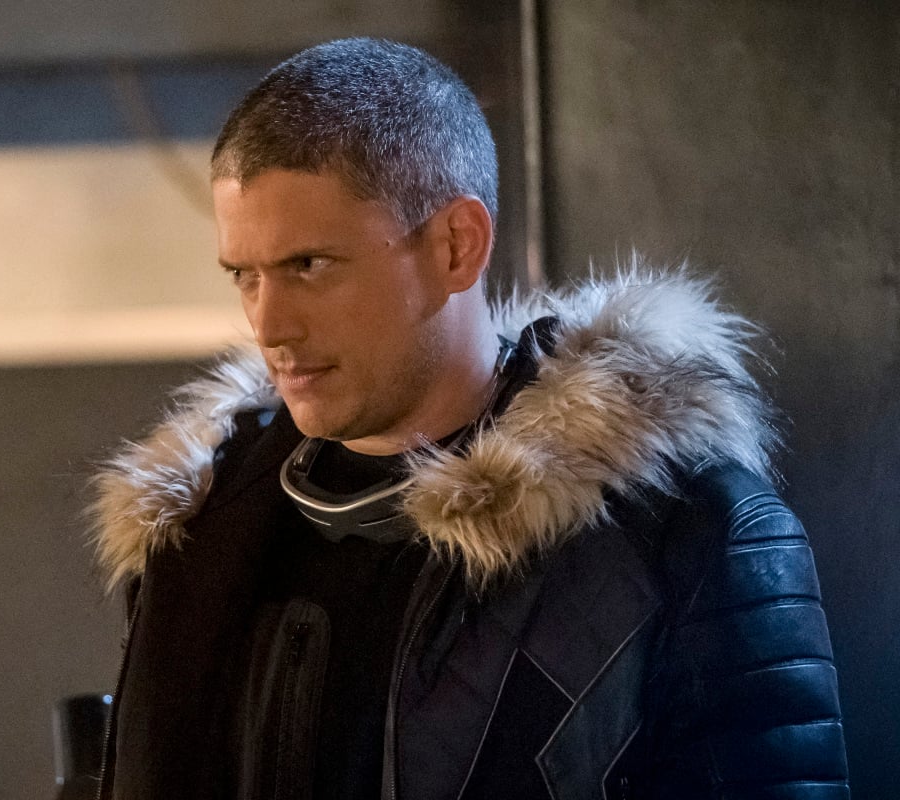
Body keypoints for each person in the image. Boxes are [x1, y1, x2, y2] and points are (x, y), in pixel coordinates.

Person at [89, 38, 848, 799]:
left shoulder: (683, 532)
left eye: (309, 266)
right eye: (244, 276)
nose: (269, 325)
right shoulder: (202, 527)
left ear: (457, 245)